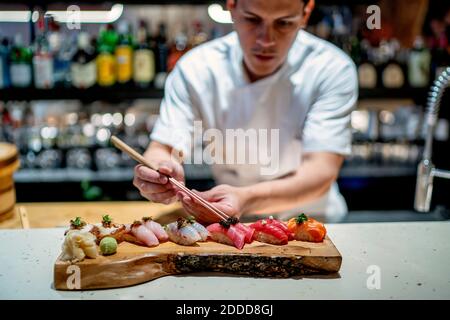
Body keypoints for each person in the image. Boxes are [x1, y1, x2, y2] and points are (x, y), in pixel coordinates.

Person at [133, 0, 358, 224]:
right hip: (231, 223)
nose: (266, 40)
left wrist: (245, 199)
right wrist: (158, 171)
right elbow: (163, 148)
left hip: (313, 220)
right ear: (232, 7)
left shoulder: (332, 68)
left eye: (284, 23)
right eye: (252, 20)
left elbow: (320, 171)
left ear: (305, 13)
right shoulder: (196, 68)